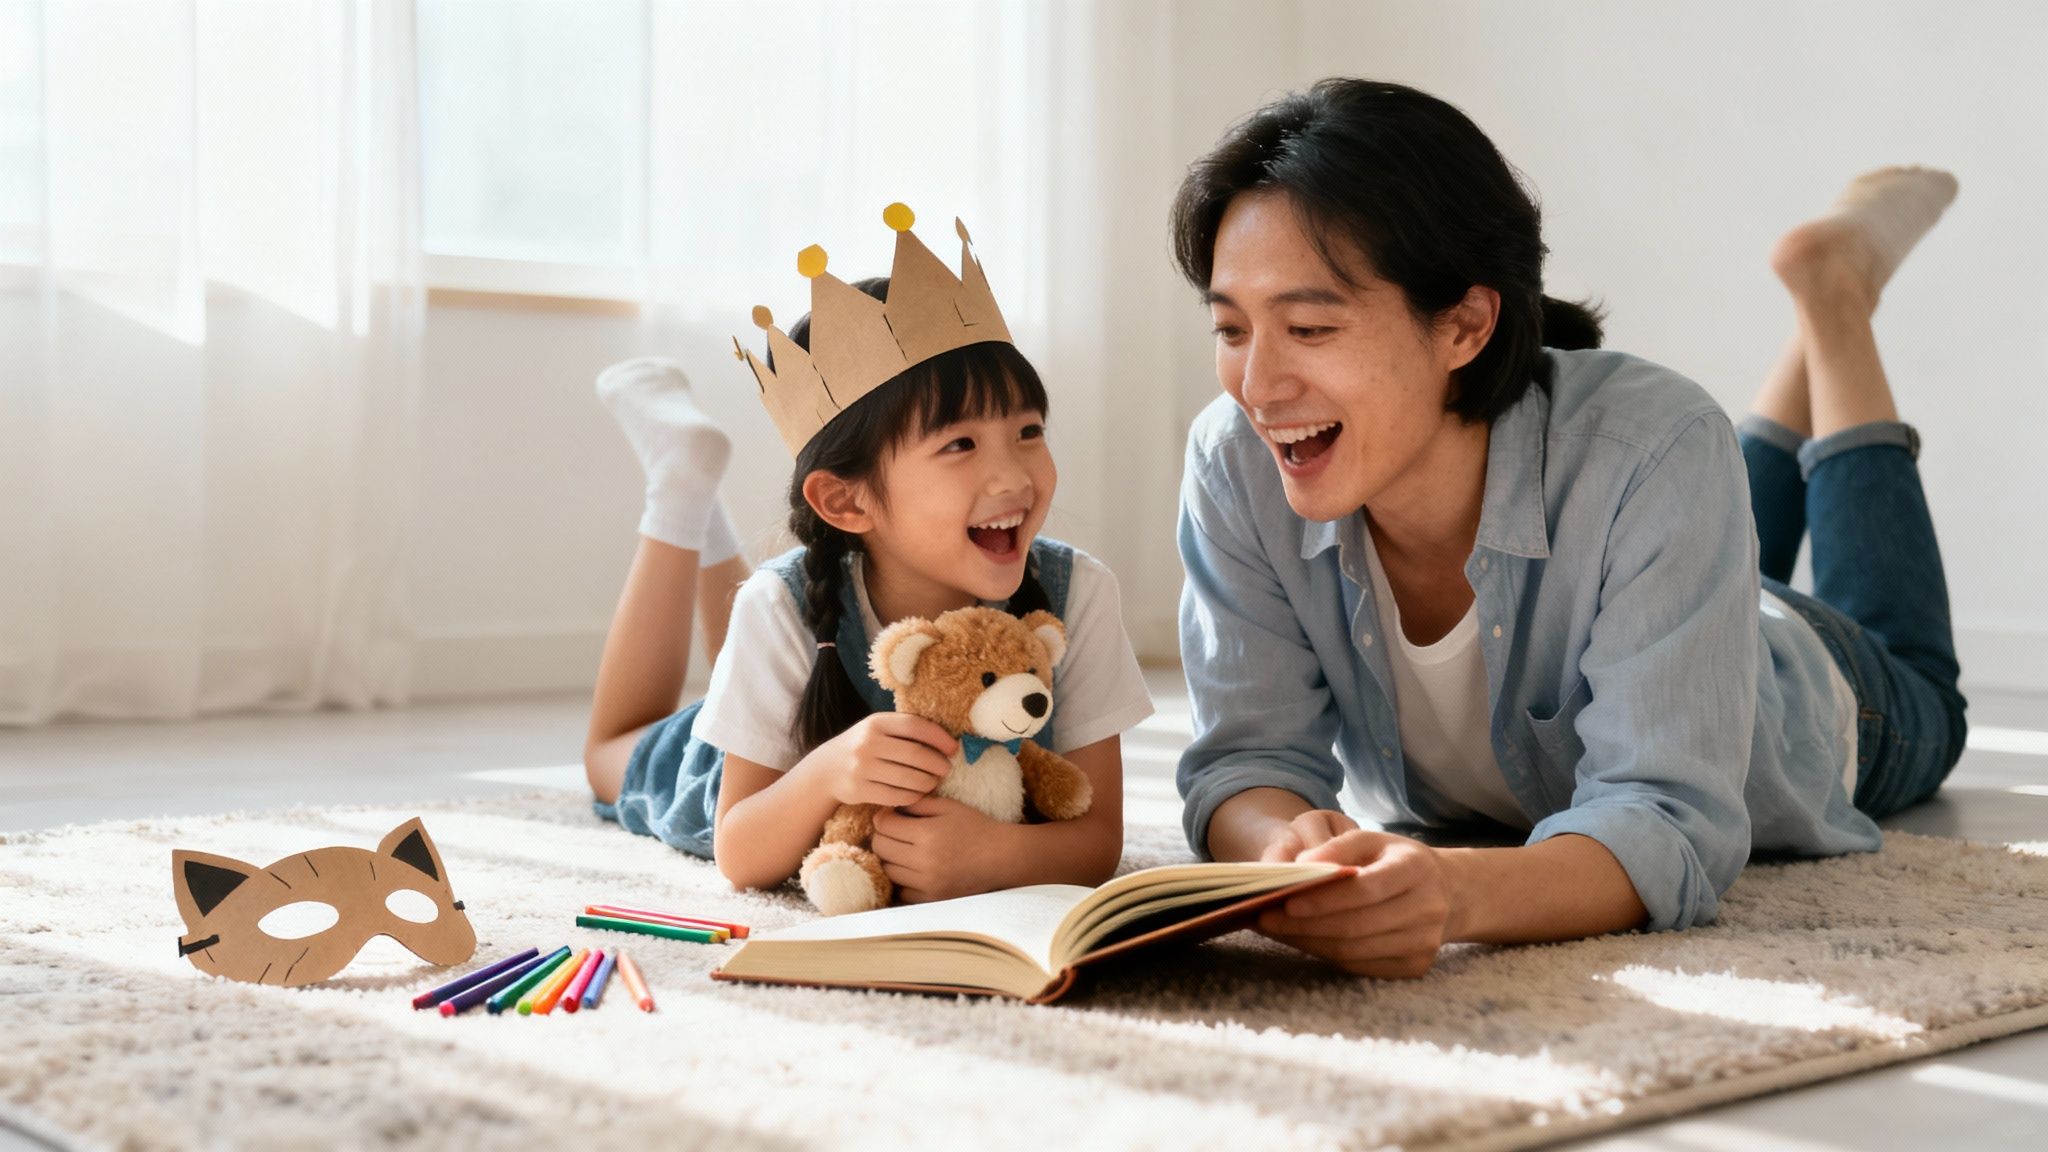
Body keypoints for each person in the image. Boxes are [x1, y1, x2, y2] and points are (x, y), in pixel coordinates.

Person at [1170, 78, 1967, 977]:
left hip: (1818, 681)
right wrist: (1281, 848)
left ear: (1466, 323)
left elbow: (1666, 818)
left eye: (1310, 328)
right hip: (1661, 565)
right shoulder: (1236, 456)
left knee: (1928, 687)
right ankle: (1821, 299)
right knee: (1684, 478)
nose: (1259, 385)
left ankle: (1836, 297)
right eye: (1232, 328)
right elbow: (1246, 758)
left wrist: (1453, 892)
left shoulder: (1652, 441)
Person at [583, 209, 1152, 904]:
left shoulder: (1076, 592)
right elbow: (740, 852)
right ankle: (680, 489)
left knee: (756, 644)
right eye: (960, 445)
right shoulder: (782, 603)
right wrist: (825, 774)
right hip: (772, 776)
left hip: (789, 682)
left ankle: (705, 513)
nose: (1015, 476)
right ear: (848, 504)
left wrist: (995, 855)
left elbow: (1098, 841)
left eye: (1028, 431)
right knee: (607, 753)